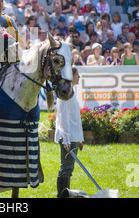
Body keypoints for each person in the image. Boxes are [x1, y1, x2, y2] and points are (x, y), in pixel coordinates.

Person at [54, 66, 84, 198]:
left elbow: (75, 118)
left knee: (69, 169)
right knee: (66, 169)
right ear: (71, 76)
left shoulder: (72, 92)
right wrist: (66, 140)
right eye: (77, 74)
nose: (79, 77)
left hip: (73, 137)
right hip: (68, 138)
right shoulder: (65, 93)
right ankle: (61, 196)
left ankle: (65, 195)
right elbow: (63, 118)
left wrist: (79, 139)